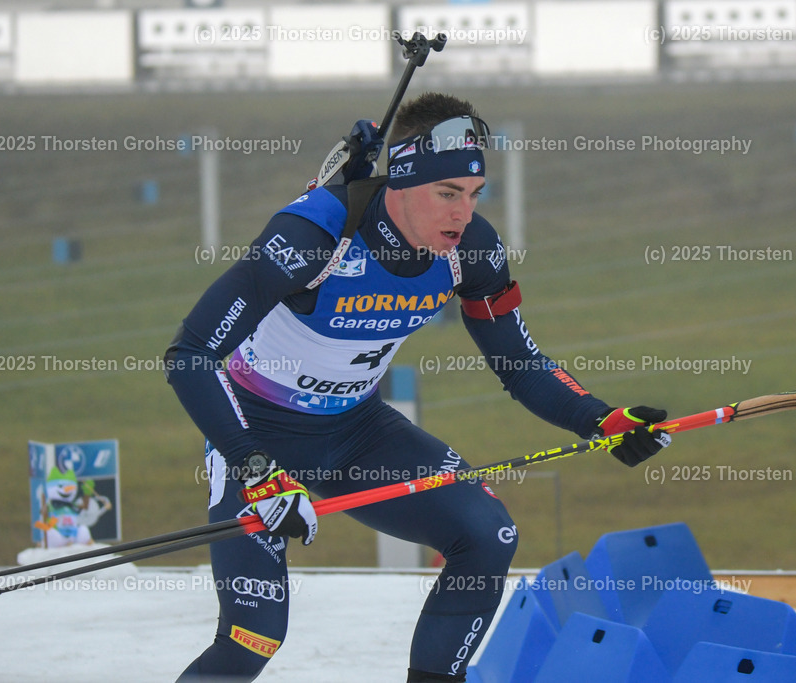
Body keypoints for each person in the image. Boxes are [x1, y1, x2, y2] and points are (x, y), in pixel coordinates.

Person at [164, 92, 672, 683]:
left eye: (475, 193)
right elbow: (190, 355)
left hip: (359, 434)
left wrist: (601, 420)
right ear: (400, 182)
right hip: (257, 436)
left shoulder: (471, 250)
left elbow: (519, 362)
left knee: (488, 536)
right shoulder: (314, 234)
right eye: (448, 193)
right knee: (254, 638)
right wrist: (254, 466)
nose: (463, 213)